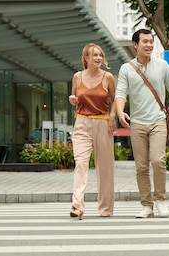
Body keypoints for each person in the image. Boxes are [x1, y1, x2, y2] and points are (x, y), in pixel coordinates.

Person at [115, 29, 169, 218]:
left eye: (151, 42)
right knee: (141, 167)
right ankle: (147, 205)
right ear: (135, 45)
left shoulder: (162, 65)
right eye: (145, 42)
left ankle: (160, 200)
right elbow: (120, 92)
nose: (149, 45)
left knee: (158, 160)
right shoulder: (126, 69)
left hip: (158, 121)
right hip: (137, 123)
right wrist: (120, 111)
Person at [68, 43, 117, 220]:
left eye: (100, 55)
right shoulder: (77, 77)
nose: (98, 58)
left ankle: (105, 208)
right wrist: (73, 100)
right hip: (82, 123)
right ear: (86, 58)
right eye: (95, 55)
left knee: (105, 168)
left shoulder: (108, 77)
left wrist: (113, 117)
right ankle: (77, 205)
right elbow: (74, 99)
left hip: (103, 123)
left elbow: (115, 100)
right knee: (80, 163)